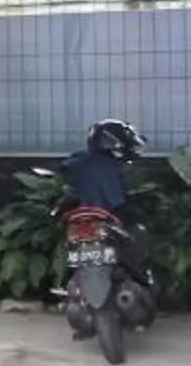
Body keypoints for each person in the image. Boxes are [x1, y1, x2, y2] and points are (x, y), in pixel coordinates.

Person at [58, 118, 152, 288]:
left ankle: (67, 280)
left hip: (83, 214)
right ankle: (140, 276)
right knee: (138, 234)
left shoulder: (80, 160)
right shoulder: (118, 167)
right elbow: (122, 196)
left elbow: (63, 170)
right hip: (113, 213)